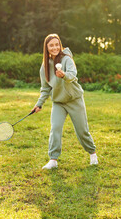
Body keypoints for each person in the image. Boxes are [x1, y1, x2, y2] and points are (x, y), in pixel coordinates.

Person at [32, 34, 98, 169]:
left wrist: (64, 75)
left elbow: (73, 75)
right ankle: (53, 160)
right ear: (46, 48)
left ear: (60, 45)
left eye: (57, 44)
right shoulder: (44, 67)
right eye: (51, 45)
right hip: (58, 102)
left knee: (82, 131)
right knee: (55, 128)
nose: (55, 47)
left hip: (74, 100)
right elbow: (45, 88)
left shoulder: (67, 59)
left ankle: (92, 154)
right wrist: (39, 103)